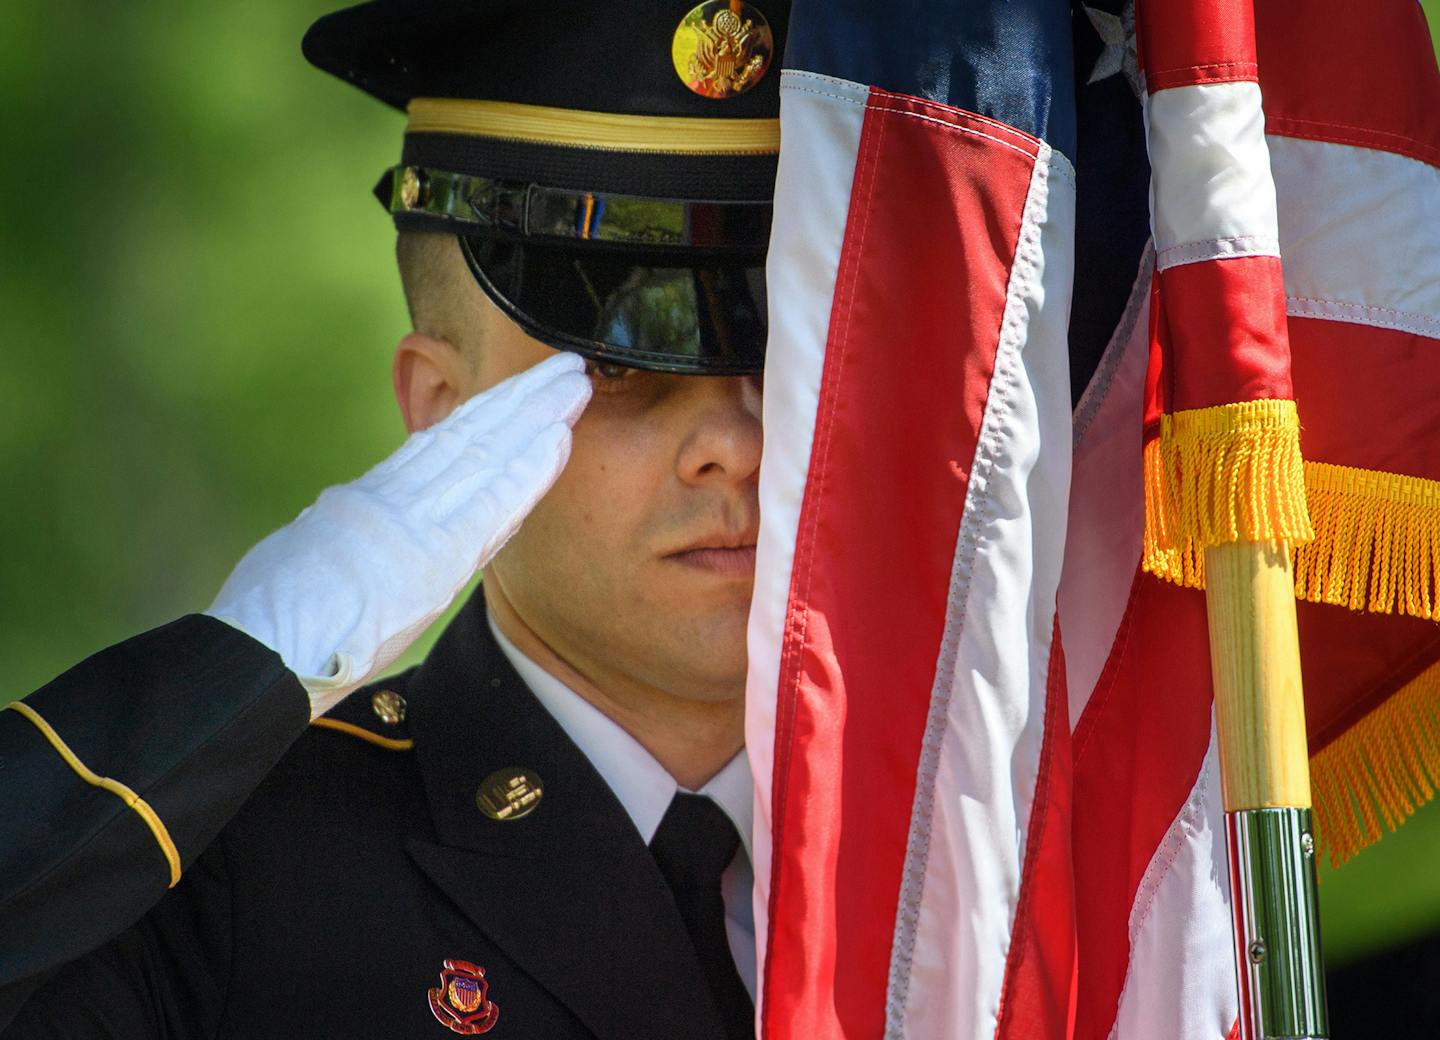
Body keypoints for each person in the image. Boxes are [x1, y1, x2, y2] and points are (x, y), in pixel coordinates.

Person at [0, 1, 784, 1036]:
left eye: (788, 356)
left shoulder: (985, 836)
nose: (738, 437)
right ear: (442, 415)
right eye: (624, 363)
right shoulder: (227, 873)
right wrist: (239, 671)